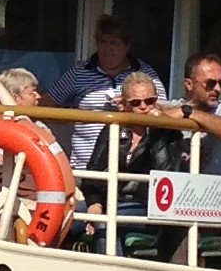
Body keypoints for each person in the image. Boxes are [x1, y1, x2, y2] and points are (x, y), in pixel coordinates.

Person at [85, 72, 186, 256]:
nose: (144, 107)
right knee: (65, 214)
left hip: (144, 205)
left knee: (106, 222)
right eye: (136, 103)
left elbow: (164, 174)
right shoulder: (113, 129)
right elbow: (93, 171)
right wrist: (95, 203)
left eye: (150, 101)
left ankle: (110, 270)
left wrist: (157, 129)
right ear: (124, 104)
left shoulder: (170, 134)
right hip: (109, 200)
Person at [46, 16, 147, 168]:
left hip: (130, 169)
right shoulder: (80, 72)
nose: (107, 49)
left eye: (114, 43)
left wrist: (130, 107)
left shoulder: (144, 72)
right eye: (103, 42)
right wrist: (69, 115)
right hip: (83, 168)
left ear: (126, 47)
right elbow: (46, 102)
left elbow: (158, 110)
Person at [176, 52, 221, 176]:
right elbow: (153, 115)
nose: (218, 89)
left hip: (213, 185)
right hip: (173, 183)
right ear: (189, 84)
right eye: (210, 84)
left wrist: (189, 113)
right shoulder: (172, 106)